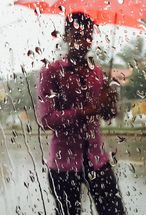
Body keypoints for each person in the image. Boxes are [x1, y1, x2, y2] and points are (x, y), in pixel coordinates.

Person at [37, 12, 125, 215]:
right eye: (77, 36)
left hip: (98, 160)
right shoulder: (51, 72)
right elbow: (46, 119)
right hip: (63, 165)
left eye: (87, 36)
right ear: (66, 36)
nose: (83, 41)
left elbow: (107, 115)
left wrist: (110, 105)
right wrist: (86, 111)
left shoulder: (98, 73)